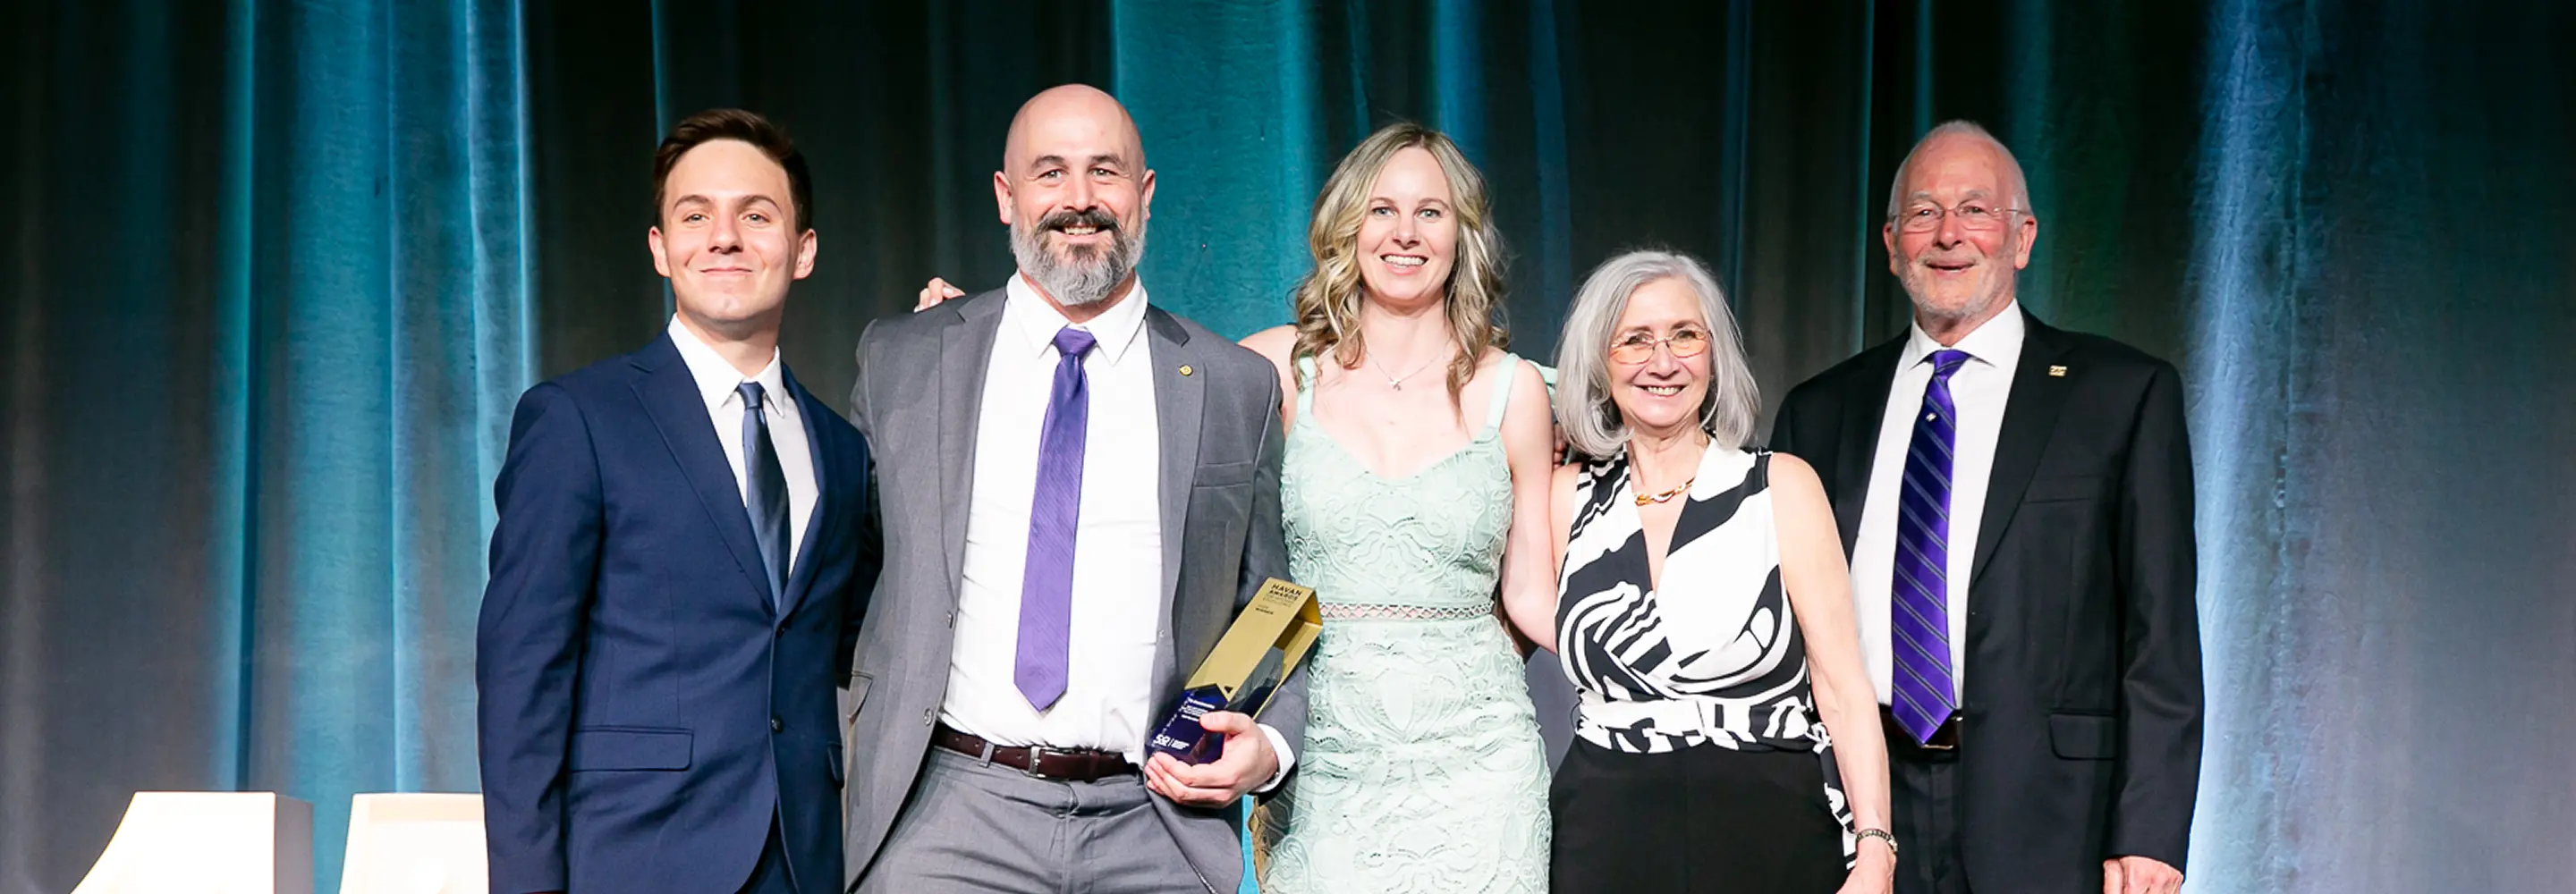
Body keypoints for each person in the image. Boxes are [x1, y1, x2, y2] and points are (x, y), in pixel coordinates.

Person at [913, 122, 1556, 892]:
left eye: (1432, 212)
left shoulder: (1516, 390)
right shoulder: (1274, 368)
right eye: (1382, 210)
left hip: (1477, 756)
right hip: (1320, 751)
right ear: (1347, 226)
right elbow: (1123, 389)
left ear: (1464, 234)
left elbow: (1530, 592)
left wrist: (1659, 673)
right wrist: (976, 338)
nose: (1405, 233)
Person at [839, 84, 1300, 894]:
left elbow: (1274, 601)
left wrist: (1272, 748)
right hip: (944, 816)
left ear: (1145, 195)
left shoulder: (1235, 386)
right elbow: (848, 581)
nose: (1079, 200)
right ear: (1005, 194)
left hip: (1155, 825)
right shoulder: (907, 358)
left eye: (1105, 173)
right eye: (1050, 173)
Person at [1768, 121, 2201, 894]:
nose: (1948, 235)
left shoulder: (2121, 395)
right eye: (1924, 214)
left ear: (2022, 238)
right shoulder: (1820, 411)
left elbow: (2159, 635)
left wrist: (2152, 831)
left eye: (1975, 210)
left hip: (2053, 817)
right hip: (1860, 809)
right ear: (1892, 243)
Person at [476, 109, 874, 894]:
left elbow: (873, 648)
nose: (724, 237)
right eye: (695, 216)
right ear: (661, 249)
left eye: (756, 215)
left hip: (806, 863)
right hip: (633, 857)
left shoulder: (842, 447)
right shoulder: (578, 419)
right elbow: (523, 673)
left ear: (804, 251)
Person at [1548, 249, 1894, 893]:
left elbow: (1843, 685)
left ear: (1714, 355)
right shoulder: (1560, 498)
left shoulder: (1781, 486)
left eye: (1685, 335)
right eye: (1635, 340)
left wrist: (1875, 848)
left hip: (1771, 827)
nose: (1663, 361)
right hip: (1605, 833)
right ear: (1600, 361)